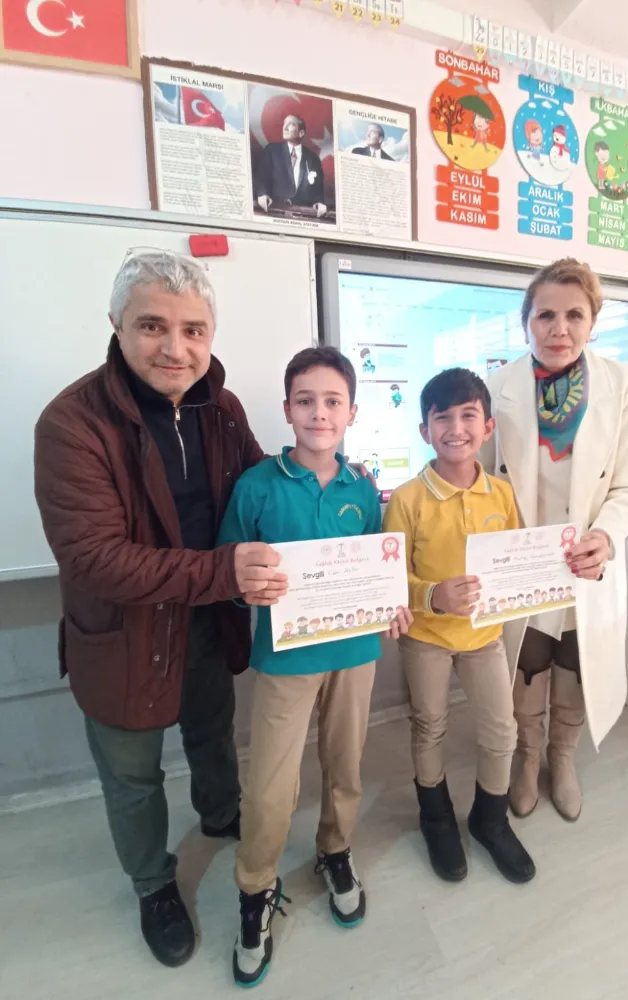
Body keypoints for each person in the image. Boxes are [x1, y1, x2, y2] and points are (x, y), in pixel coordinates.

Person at [33, 251, 289, 969]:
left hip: (207, 621)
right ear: (116, 325)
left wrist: (328, 487)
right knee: (133, 777)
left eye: (193, 330)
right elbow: (95, 558)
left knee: (212, 733)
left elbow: (261, 488)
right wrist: (223, 570)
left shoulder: (222, 407)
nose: (176, 348)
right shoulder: (71, 423)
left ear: (210, 336)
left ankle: (222, 814)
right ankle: (153, 885)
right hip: (124, 639)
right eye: (153, 326)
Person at [216, 346, 413, 988]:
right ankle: (255, 889)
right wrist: (248, 589)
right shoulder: (257, 485)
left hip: (355, 654)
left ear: (352, 412)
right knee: (271, 783)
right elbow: (227, 570)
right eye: (306, 401)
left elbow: (378, 567)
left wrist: (392, 603)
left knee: (345, 764)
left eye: (333, 402)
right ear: (287, 410)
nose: (319, 413)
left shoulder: (363, 488)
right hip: (286, 659)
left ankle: (335, 850)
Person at [483, 258, 628, 823]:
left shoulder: (621, 384)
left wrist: (607, 535)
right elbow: (482, 481)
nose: (560, 329)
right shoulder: (499, 386)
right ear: (526, 321)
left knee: (577, 661)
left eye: (574, 315)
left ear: (593, 322)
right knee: (526, 662)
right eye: (546, 315)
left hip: (586, 562)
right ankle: (528, 756)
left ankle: (562, 757)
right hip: (524, 564)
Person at [382, 369, 535, 886]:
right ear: (425, 430)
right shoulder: (407, 500)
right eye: (442, 417)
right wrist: (432, 595)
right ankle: (436, 817)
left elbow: (514, 558)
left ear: (488, 427)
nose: (456, 428)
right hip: (426, 638)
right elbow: (390, 580)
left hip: (484, 637)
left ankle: (491, 820)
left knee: (501, 728)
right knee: (430, 725)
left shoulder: (502, 495)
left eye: (469, 415)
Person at [255, 113, 327, 218]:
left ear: (301, 133)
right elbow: (262, 177)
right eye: (284, 124)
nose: (285, 128)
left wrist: (319, 202)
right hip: (273, 211)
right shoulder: (272, 151)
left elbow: (317, 189)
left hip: (302, 216)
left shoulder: (313, 158)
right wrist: (262, 194)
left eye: (291, 124)